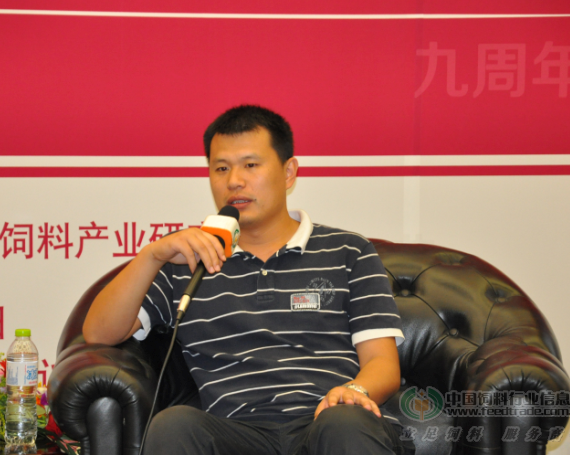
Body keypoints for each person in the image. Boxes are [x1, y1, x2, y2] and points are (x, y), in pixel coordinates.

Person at [83, 105, 414, 455]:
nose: (234, 181)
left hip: (328, 423)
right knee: (173, 424)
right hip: (235, 433)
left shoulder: (348, 251)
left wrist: (355, 392)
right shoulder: (188, 261)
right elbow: (99, 333)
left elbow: (382, 363)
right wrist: (152, 255)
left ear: (289, 172)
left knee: (344, 422)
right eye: (221, 168)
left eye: (251, 165)